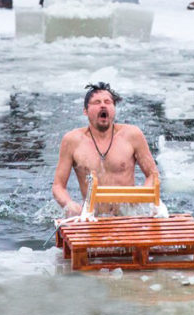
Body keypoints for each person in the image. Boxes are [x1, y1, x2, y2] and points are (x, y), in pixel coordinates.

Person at [53, 82, 159, 217]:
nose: (103, 105)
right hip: (93, 217)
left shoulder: (132, 135)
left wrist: (141, 199)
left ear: (113, 109)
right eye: (97, 102)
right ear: (85, 111)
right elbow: (58, 186)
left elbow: (153, 175)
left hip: (127, 215)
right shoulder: (72, 140)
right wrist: (69, 205)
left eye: (108, 102)